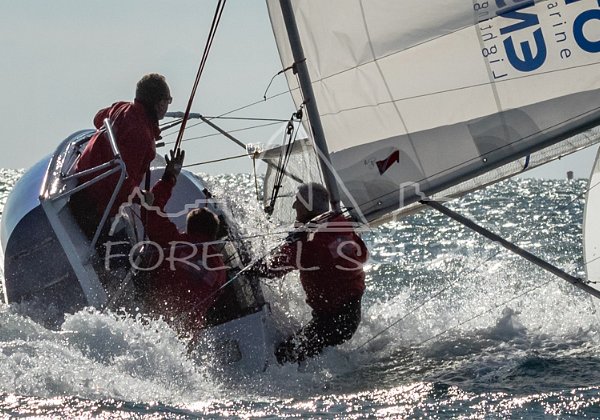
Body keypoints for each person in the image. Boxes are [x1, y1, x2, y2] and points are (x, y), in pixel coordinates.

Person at [254, 183, 368, 364]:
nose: (293, 207)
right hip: (350, 314)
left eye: (297, 202)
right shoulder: (341, 223)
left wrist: (252, 268)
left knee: (284, 357)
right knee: (301, 345)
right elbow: (363, 255)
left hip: (334, 321)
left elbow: (270, 269)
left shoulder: (309, 242)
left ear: (308, 206)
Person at [70, 73, 172, 237]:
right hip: (96, 206)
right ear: (160, 104)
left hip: (80, 184)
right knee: (126, 250)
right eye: (169, 100)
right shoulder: (142, 137)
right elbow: (120, 179)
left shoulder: (122, 108)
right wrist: (142, 197)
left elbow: (98, 119)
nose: (168, 105)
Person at [141, 149, 228, 334]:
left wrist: (169, 177)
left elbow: (151, 208)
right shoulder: (219, 268)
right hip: (188, 331)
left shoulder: (172, 241)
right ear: (213, 236)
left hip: (156, 318)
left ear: (187, 229)